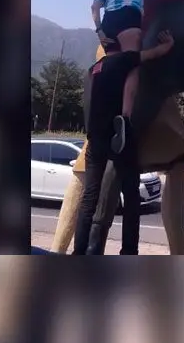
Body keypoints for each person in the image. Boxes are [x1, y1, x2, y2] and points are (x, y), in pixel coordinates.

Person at [73, 31, 176, 255]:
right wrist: (168, 44)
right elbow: (155, 53)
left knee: (89, 197)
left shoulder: (92, 70)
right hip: (119, 138)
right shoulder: (122, 61)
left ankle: (78, 251)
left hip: (95, 141)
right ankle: (129, 251)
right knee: (131, 197)